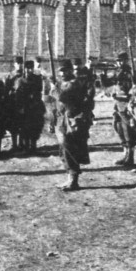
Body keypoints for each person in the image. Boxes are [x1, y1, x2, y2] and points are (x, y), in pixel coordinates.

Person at [50, 59, 91, 191]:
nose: (62, 74)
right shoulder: (64, 83)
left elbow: (62, 97)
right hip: (62, 121)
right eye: (60, 71)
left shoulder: (74, 83)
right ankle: (69, 178)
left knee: (70, 149)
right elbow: (56, 105)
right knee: (63, 150)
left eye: (64, 71)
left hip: (71, 121)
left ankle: (73, 180)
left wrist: (53, 88)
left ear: (70, 71)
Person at [111, 51, 136, 167]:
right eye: (117, 61)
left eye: (121, 61)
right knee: (118, 127)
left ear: (126, 61)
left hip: (126, 105)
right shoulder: (118, 72)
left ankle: (130, 157)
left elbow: (131, 91)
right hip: (118, 105)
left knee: (127, 131)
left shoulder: (130, 73)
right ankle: (125, 153)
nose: (119, 63)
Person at [5, 56, 25, 153]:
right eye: (18, 63)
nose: (19, 65)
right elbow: (6, 89)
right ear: (14, 64)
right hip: (13, 103)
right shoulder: (10, 75)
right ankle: (14, 144)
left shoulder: (25, 75)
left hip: (23, 103)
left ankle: (22, 144)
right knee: (14, 126)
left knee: (22, 125)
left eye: (21, 63)